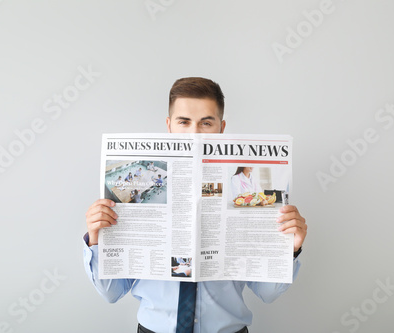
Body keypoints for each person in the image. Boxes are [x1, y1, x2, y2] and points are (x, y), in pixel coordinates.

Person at [84, 77, 308, 333]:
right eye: (184, 122)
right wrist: (96, 240)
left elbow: (268, 293)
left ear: (221, 128)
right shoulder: (136, 190)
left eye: (206, 123)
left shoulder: (243, 195)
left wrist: (290, 249)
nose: (194, 134)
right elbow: (111, 293)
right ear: (169, 126)